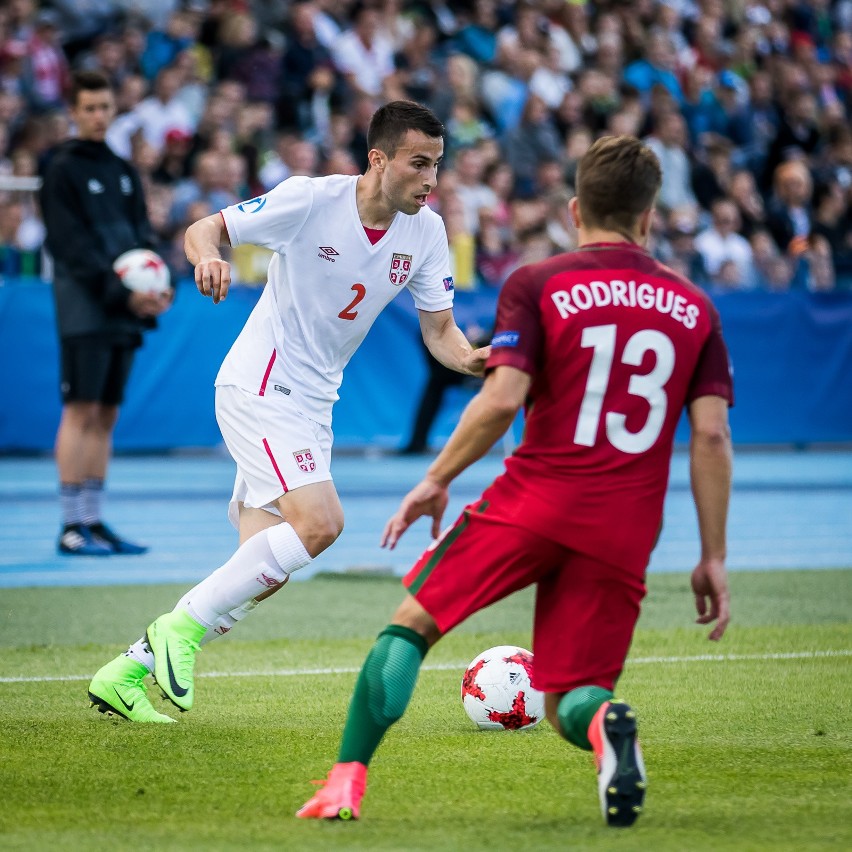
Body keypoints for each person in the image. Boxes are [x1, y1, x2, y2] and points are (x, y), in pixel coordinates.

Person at [296, 135, 734, 828]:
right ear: (650, 217)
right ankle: (607, 728)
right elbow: (710, 436)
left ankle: (345, 782)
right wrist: (713, 555)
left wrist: (436, 480)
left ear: (574, 209)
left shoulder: (539, 285)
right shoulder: (694, 309)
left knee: (410, 626)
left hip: (536, 498)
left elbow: (501, 400)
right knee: (572, 697)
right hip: (625, 523)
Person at [87, 100, 490, 723]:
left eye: (437, 164)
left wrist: (477, 362)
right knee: (321, 523)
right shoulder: (310, 199)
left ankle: (127, 671)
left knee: (255, 574)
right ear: (378, 160)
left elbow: (441, 334)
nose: (432, 178)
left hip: (313, 405)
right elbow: (203, 229)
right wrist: (208, 258)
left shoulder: (426, 232)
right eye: (419, 163)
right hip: (261, 386)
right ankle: (179, 634)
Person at [40, 70, 173, 557]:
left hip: (124, 310)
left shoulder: (121, 169)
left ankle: (94, 521)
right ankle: (71, 526)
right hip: (85, 309)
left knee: (107, 415)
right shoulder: (60, 170)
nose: (98, 116)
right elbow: (70, 247)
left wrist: (160, 286)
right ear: (73, 112)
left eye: (105, 107)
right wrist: (125, 294)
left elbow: (143, 237)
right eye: (89, 108)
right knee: (80, 413)